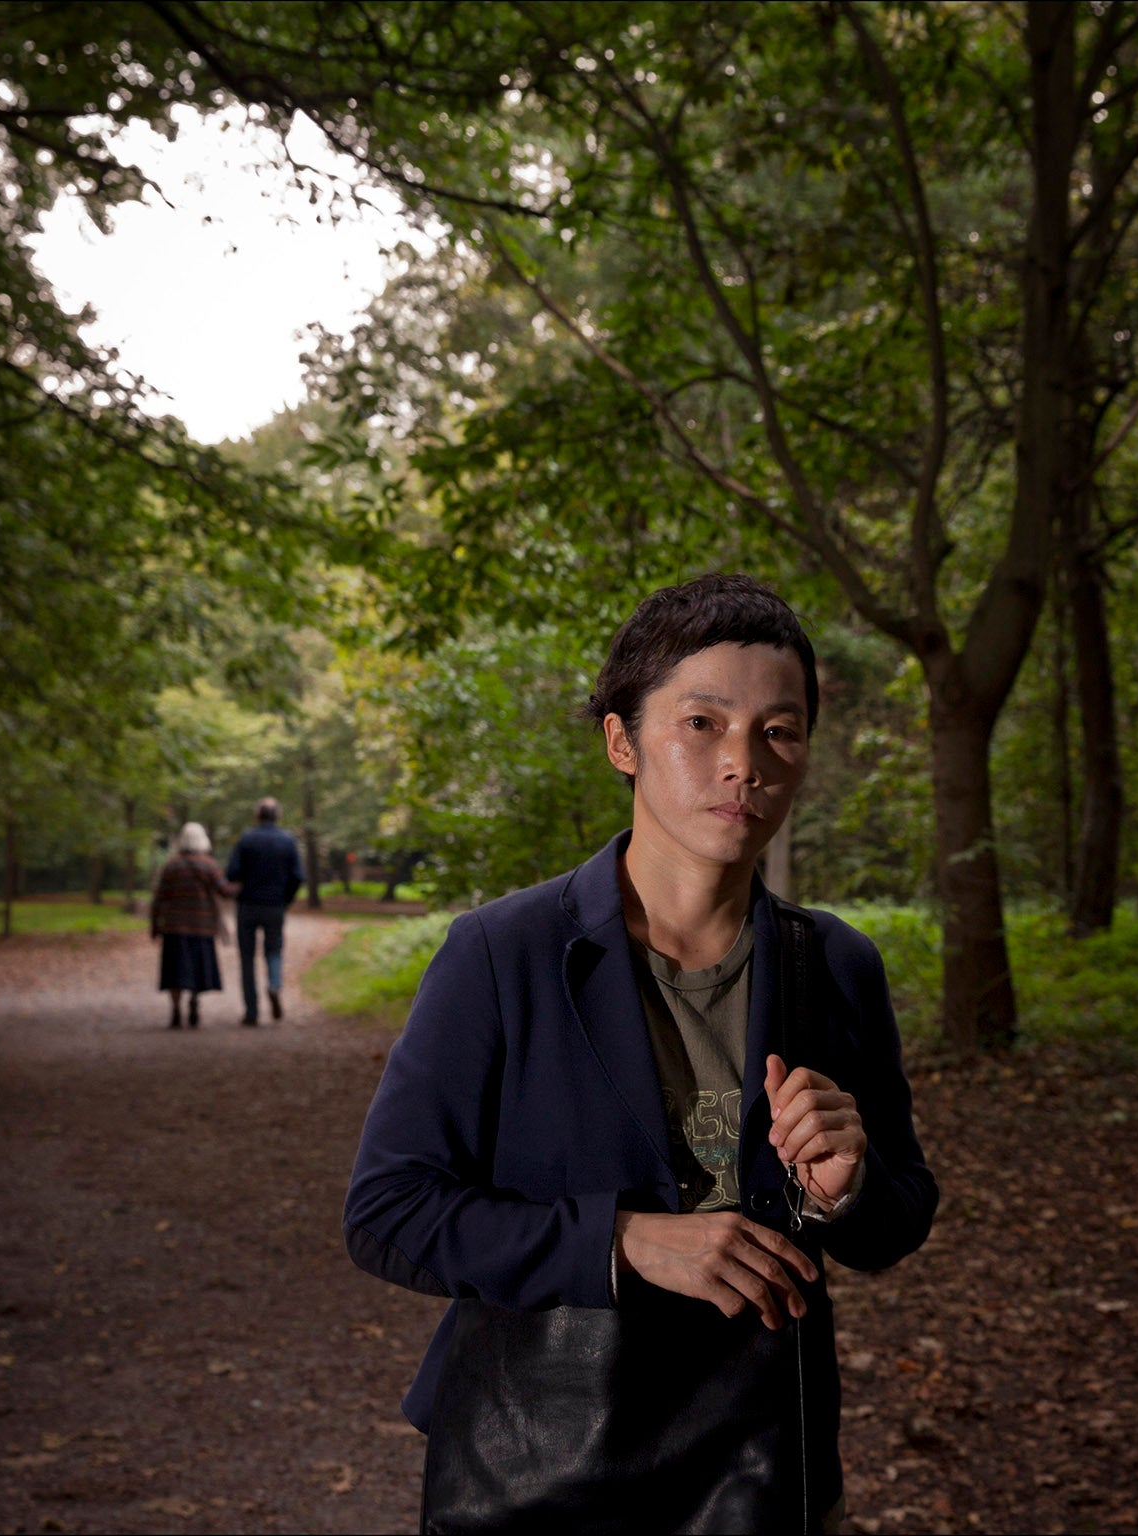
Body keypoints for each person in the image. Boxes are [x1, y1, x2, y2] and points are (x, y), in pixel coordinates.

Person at [344, 574, 937, 1534]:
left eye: (777, 731)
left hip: (764, 1470)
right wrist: (620, 1241)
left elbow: (898, 1216)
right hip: (538, 1465)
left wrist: (844, 1188)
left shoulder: (834, 963)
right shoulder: (503, 955)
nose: (743, 762)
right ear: (623, 742)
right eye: (701, 724)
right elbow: (388, 1213)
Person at [150, 821, 236, 1030]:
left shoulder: (171, 866)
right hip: (202, 927)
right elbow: (225, 890)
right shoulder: (209, 865)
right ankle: (194, 1001)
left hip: (174, 928)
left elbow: (159, 898)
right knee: (197, 969)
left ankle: (176, 1009)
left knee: (175, 972)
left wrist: (155, 925)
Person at [225, 796, 303, 1025]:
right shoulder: (288, 841)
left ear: (258, 815)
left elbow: (231, 873)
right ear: (277, 815)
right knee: (274, 951)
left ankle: (251, 1011)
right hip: (275, 906)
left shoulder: (246, 840)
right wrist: (285, 899)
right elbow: (298, 876)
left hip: (247, 905)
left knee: (247, 958)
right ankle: (274, 985)